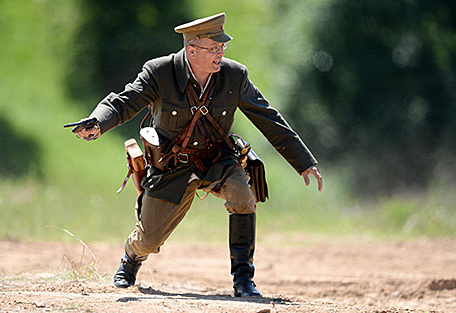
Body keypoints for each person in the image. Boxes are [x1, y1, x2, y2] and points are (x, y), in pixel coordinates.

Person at [72, 12, 322, 297]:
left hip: (218, 160)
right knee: (149, 239)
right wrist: (97, 122)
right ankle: (131, 258)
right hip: (171, 165)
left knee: (243, 195)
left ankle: (243, 280)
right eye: (213, 48)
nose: (220, 53)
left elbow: (269, 118)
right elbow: (124, 101)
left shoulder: (234, 75)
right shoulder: (159, 72)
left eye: (222, 47)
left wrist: (304, 162)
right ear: (191, 50)